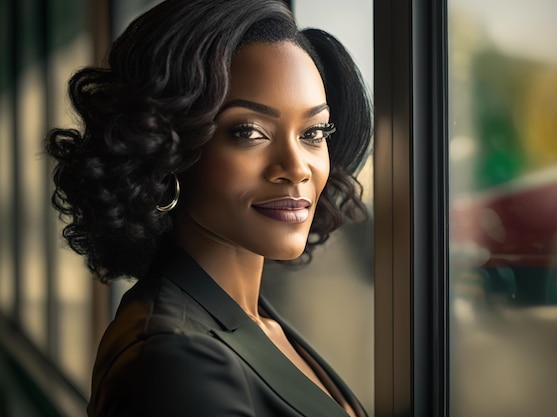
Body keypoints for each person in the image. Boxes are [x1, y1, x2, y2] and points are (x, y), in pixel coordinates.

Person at [46, 0, 372, 415]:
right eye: (249, 132)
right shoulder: (174, 363)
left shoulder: (246, 317)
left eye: (313, 132)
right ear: (167, 148)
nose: (295, 168)